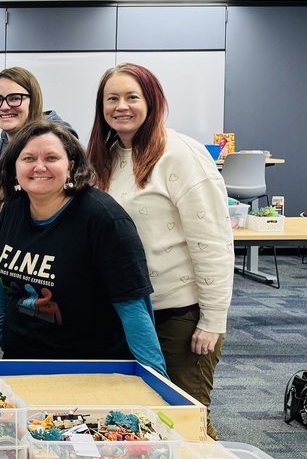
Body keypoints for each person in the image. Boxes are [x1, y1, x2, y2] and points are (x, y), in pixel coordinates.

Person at [88, 62, 233, 439]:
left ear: (152, 101)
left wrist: (213, 319)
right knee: (136, 423)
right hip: (127, 312)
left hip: (179, 314)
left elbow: (213, 239)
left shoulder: (180, 154)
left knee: (185, 422)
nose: (122, 106)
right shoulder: (104, 156)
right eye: (112, 98)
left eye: (132, 97)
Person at [0, 119, 166, 375]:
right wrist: (4, 333)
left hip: (88, 369)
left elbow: (133, 309)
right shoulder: (13, 209)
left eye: (51, 157)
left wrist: (156, 383)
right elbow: (1, 279)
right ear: (15, 166)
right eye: (28, 158)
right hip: (21, 362)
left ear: (71, 166)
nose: (39, 166)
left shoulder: (102, 217)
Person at [0, 67, 77, 265]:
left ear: (33, 100)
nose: (4, 106)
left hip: (42, 265)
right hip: (0, 260)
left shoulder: (59, 143)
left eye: (15, 98)